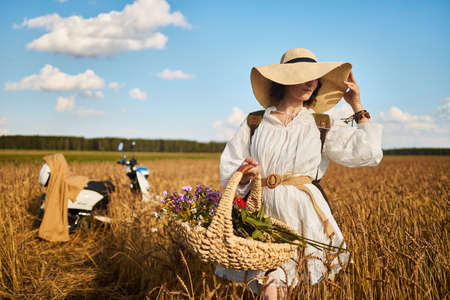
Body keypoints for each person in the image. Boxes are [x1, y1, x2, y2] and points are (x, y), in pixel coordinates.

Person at [215, 48, 383, 299]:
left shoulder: (321, 123)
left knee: (300, 290)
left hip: (304, 217)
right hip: (262, 217)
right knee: (270, 286)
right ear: (283, 80)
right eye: (302, 75)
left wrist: (357, 105)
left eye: (314, 77)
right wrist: (245, 174)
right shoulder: (255, 122)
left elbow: (369, 153)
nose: (310, 82)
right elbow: (229, 166)